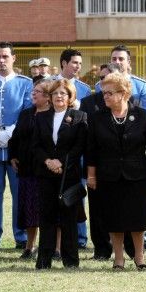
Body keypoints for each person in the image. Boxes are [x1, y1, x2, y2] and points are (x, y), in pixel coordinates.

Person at [87, 72, 146, 270]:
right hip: (108, 175)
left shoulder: (142, 115)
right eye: (103, 93)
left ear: (123, 93)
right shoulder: (97, 118)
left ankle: (139, 257)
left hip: (137, 174)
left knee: (138, 218)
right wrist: (91, 175)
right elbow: (91, 149)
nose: (105, 97)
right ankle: (118, 258)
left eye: (109, 93)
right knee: (114, 218)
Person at [0, 42, 33, 250]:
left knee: (19, 192)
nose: (1, 61)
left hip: (16, 150)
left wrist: (12, 133)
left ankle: (21, 235)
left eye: (5, 56)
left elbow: (29, 114)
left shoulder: (25, 84)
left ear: (14, 58)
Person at [32, 79, 87, 269]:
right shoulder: (41, 117)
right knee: (46, 217)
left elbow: (79, 146)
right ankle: (44, 260)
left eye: (63, 93)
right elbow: (36, 145)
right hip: (45, 174)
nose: (59, 96)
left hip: (68, 175)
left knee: (68, 218)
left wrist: (61, 162)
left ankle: (70, 261)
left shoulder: (79, 117)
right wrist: (48, 161)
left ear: (70, 96)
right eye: (55, 93)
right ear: (50, 97)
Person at [80, 63, 122, 260]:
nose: (104, 82)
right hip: (97, 165)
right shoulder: (88, 103)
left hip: (123, 167)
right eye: (102, 78)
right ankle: (102, 249)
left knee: (122, 209)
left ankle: (125, 248)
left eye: (109, 77)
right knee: (97, 210)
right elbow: (87, 140)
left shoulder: (133, 103)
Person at [8, 78, 52, 259]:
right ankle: (29, 246)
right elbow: (15, 137)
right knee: (29, 210)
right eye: (33, 91)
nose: (33, 94)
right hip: (27, 170)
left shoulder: (54, 115)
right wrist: (12, 156)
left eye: (38, 92)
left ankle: (54, 248)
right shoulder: (26, 113)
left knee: (49, 210)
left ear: (48, 96)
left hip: (46, 171)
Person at [54, 48, 92, 248]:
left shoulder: (85, 89)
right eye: (74, 62)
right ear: (63, 63)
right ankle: (56, 240)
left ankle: (80, 238)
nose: (78, 66)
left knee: (78, 193)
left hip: (78, 152)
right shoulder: (51, 83)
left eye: (79, 63)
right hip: (55, 151)